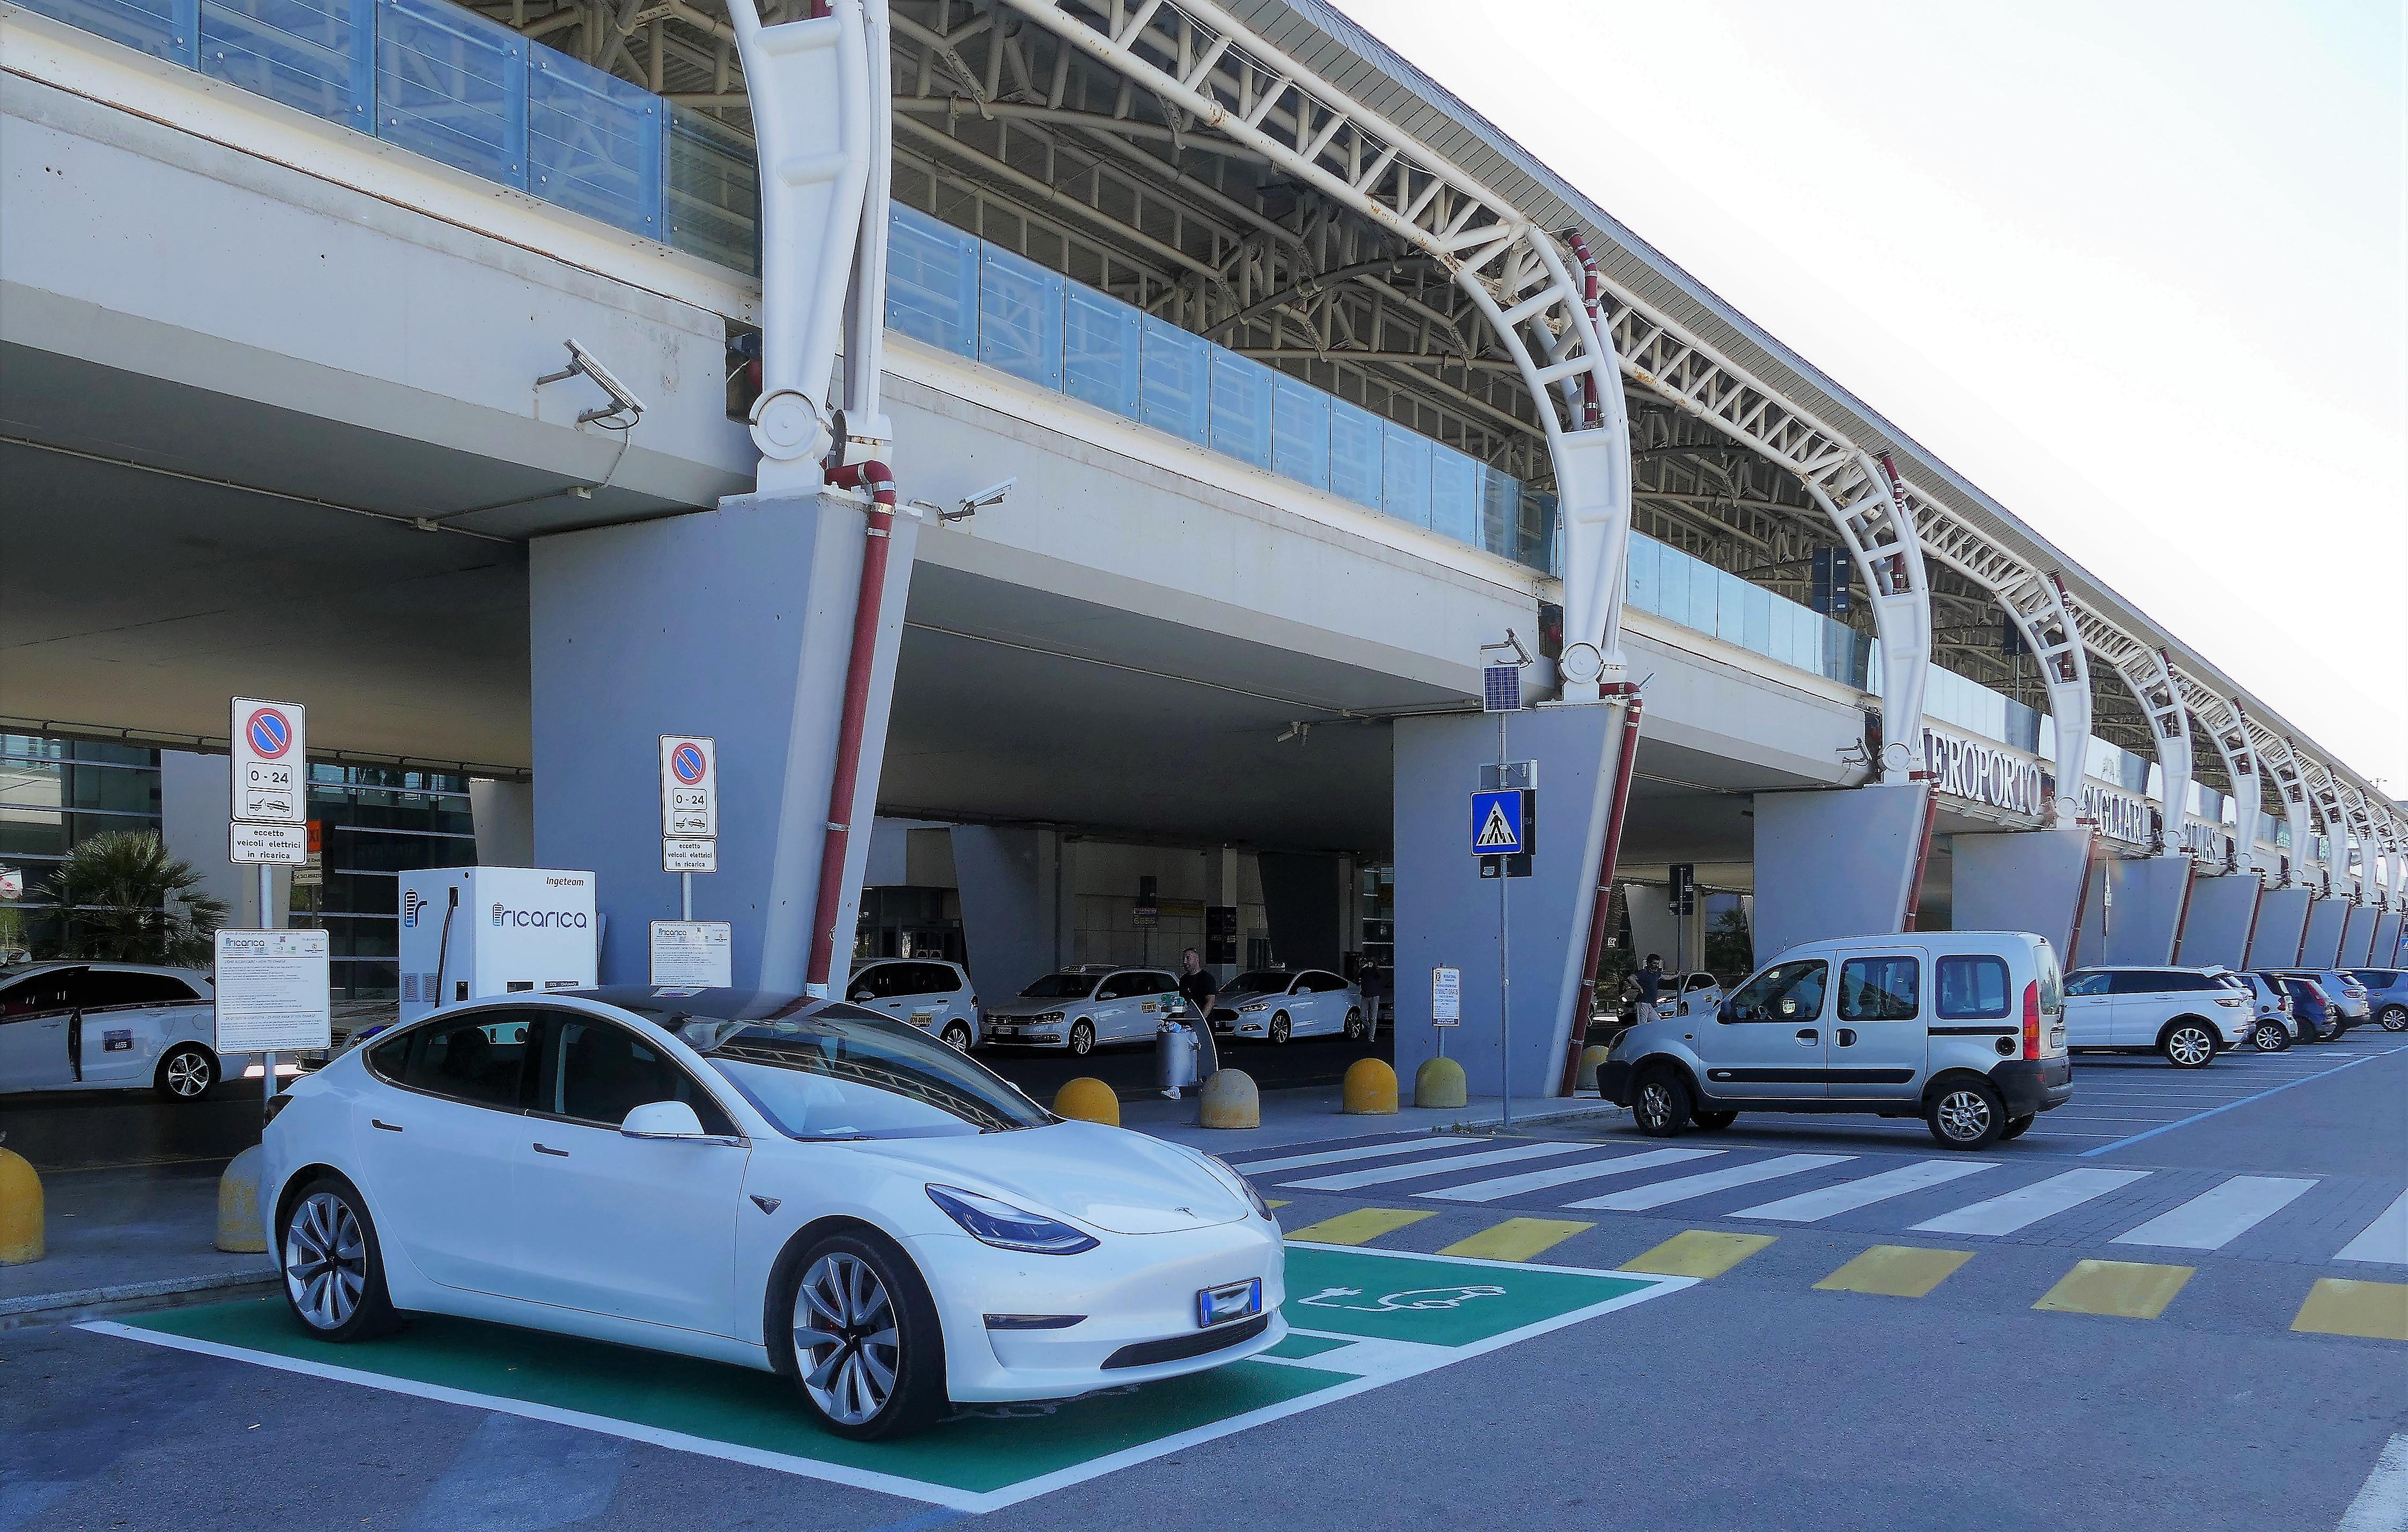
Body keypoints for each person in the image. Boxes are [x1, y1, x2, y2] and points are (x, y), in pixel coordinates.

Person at [1176, 949, 1222, 1076]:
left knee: (1205, 1052)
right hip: (1188, 1023)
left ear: (1197, 959)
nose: (1185, 962)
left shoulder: (1207, 978)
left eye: (1188, 958)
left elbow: (1210, 1001)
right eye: (1184, 959)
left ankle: (1210, 1077)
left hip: (1204, 1023)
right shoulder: (1183, 980)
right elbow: (1183, 1002)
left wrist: (1201, 1020)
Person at [1629, 953, 1665, 1024]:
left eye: (1658, 963)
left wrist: (1676, 975)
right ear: (1649, 963)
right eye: (1654, 963)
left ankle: (1652, 1035)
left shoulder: (1656, 974)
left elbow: (1665, 977)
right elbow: (1631, 978)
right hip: (1643, 1002)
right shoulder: (1644, 973)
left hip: (1650, 1004)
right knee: (1642, 1024)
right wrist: (1640, 988)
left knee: (1657, 1023)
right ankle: (1640, 1035)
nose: (1657, 966)